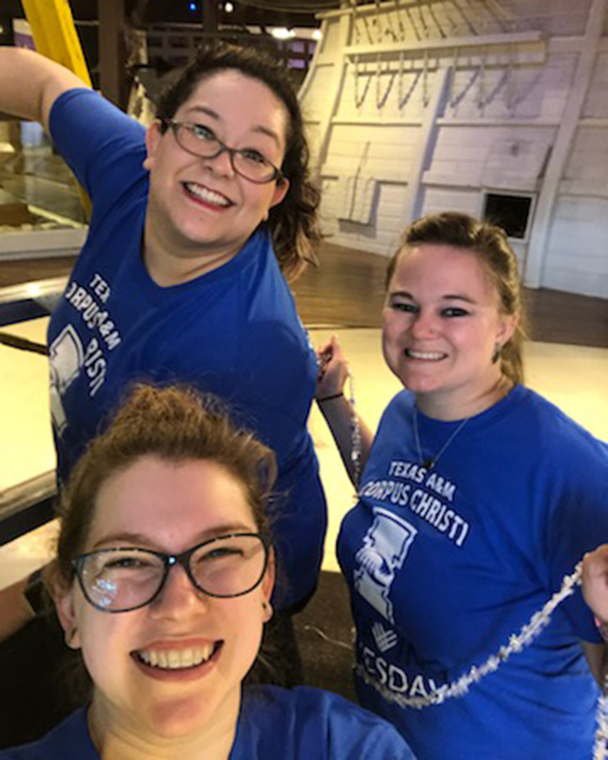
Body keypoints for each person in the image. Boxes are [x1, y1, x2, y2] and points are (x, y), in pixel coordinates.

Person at [0, 42, 326, 617]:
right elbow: (43, 83)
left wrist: (38, 600)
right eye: (202, 131)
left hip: (232, 581)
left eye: (255, 155)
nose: (221, 163)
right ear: (155, 142)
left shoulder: (249, 351)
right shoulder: (129, 171)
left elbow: (177, 555)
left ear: (275, 193)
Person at [316, 212, 608, 759]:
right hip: (385, 741)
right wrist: (335, 405)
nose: (422, 329)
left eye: (454, 310)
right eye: (405, 305)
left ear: (504, 324)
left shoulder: (569, 472)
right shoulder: (409, 411)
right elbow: (397, 503)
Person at [0, 384, 414, 760]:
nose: (179, 606)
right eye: (126, 560)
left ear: (264, 586)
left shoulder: (349, 750)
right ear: (69, 607)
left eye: (219, 553)